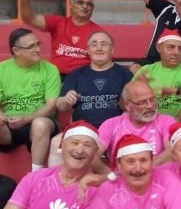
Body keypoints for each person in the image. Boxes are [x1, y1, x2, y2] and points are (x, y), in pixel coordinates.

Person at [0, 28, 60, 172]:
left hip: (38, 124)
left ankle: (36, 174)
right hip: (9, 126)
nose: (37, 49)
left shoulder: (50, 69)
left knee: (40, 124)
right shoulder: (0, 69)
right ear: (16, 51)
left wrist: (25, 119)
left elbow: (51, 107)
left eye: (38, 44)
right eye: (31, 46)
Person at [47, 30, 133, 167]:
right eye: (94, 44)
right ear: (88, 50)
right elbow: (60, 106)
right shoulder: (76, 75)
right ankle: (56, 181)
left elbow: (134, 104)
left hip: (116, 130)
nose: (99, 48)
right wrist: (66, 100)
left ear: (112, 49)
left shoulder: (124, 74)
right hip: (83, 130)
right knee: (55, 143)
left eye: (104, 44)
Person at [18, 0, 101, 75]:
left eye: (89, 4)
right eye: (80, 2)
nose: (85, 6)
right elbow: (30, 19)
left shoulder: (97, 33)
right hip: (56, 76)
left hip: (82, 77)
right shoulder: (58, 22)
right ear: (71, 4)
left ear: (92, 8)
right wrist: (25, 0)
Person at [96, 80, 176, 170]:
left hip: (158, 175)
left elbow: (172, 150)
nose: (150, 106)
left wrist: (143, 171)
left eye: (152, 99)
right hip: (120, 177)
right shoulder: (111, 125)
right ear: (127, 105)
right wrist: (109, 174)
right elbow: (92, 154)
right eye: (142, 102)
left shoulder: (166, 121)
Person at [133, 29, 181, 121]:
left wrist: (178, 90)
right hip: (150, 120)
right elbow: (125, 100)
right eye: (171, 47)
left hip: (179, 123)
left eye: (179, 48)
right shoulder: (147, 70)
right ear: (159, 48)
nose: (176, 52)